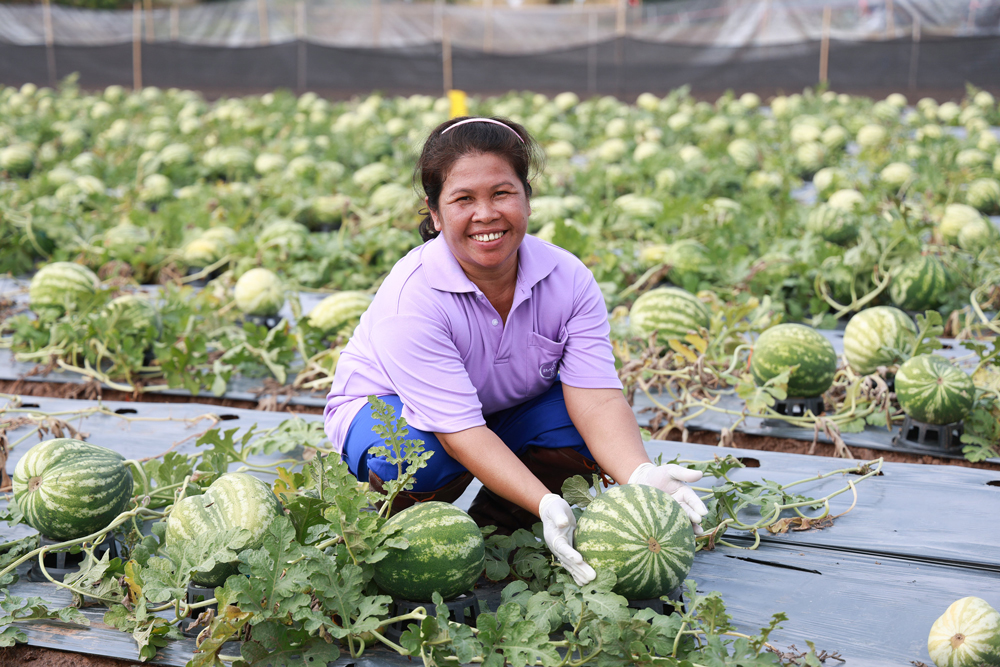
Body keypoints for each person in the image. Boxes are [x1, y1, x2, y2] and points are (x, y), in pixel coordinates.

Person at [324, 116, 708, 587]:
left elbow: (598, 398)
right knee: (414, 457)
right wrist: (545, 498)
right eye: (463, 199)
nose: (486, 214)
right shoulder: (413, 297)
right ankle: (399, 537)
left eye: (502, 193)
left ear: (526, 197)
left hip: (502, 409)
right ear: (436, 212)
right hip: (394, 414)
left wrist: (639, 472)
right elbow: (457, 428)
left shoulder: (568, 278)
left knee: (587, 440)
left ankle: (502, 527)